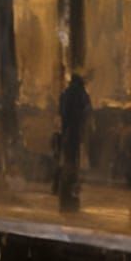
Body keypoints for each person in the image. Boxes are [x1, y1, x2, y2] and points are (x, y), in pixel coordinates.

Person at [55, 68, 92, 214]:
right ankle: (71, 201)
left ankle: (65, 200)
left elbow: (61, 111)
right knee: (73, 165)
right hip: (76, 133)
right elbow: (87, 111)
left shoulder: (66, 93)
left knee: (67, 164)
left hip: (67, 132)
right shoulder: (82, 94)